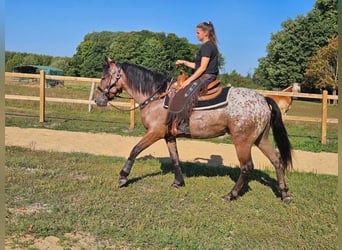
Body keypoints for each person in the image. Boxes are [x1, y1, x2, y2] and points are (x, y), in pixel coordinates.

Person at [167, 21, 220, 136]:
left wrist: (188, 80)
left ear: (205, 33)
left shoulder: (207, 46)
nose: (196, 35)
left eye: (198, 33)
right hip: (206, 75)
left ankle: (184, 125)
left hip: (207, 77)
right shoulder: (208, 46)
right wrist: (184, 62)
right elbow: (197, 66)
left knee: (185, 93)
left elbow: (202, 68)